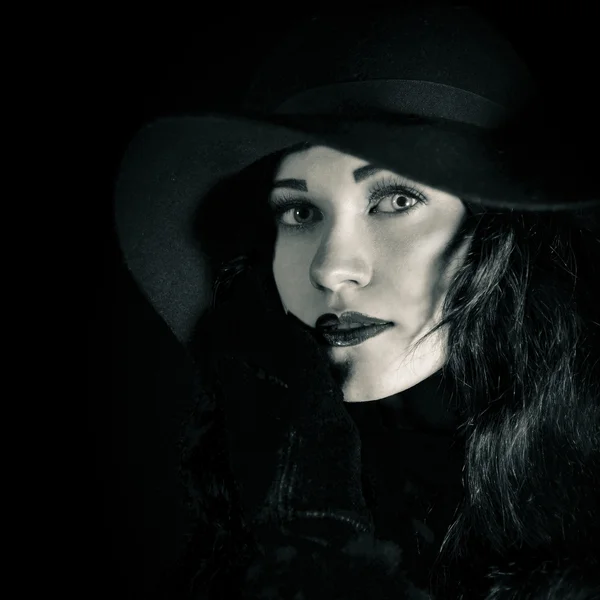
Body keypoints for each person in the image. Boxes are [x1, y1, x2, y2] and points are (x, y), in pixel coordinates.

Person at [114, 2, 600, 598]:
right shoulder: (244, 488)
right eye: (298, 211)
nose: (331, 268)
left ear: (501, 233)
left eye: (395, 200)